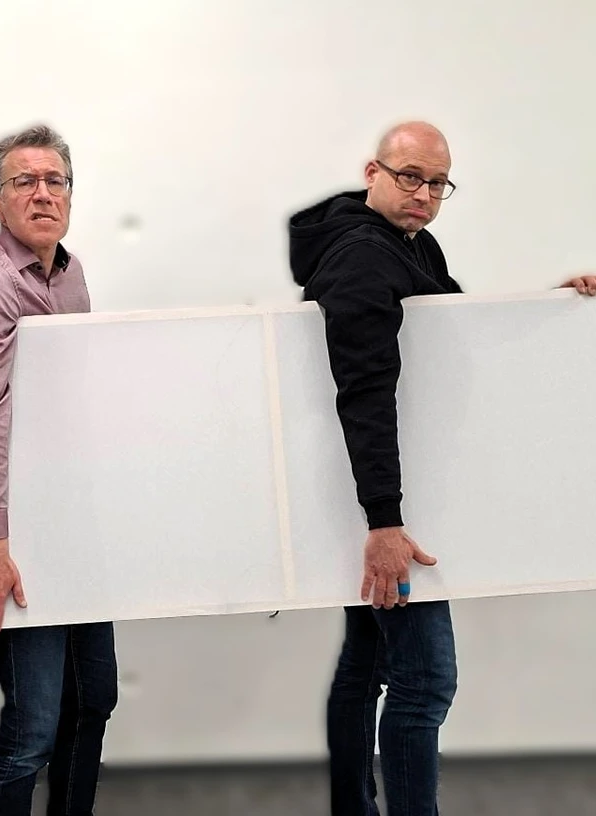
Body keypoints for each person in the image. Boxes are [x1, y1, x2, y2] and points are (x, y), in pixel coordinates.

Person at [287, 121, 596, 816]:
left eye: (437, 183)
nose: (424, 194)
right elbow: (365, 393)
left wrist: (552, 309)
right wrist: (384, 523)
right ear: (372, 172)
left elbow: (454, 341)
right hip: (386, 507)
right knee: (424, 682)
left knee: (366, 667)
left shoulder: (408, 243)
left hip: (374, 494)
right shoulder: (363, 260)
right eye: (410, 177)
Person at [0, 124, 117, 815]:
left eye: (55, 181)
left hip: (74, 522)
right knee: (33, 729)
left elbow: (72, 404)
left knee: (94, 700)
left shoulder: (70, 274)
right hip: (21, 537)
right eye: (25, 182)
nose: (43, 194)